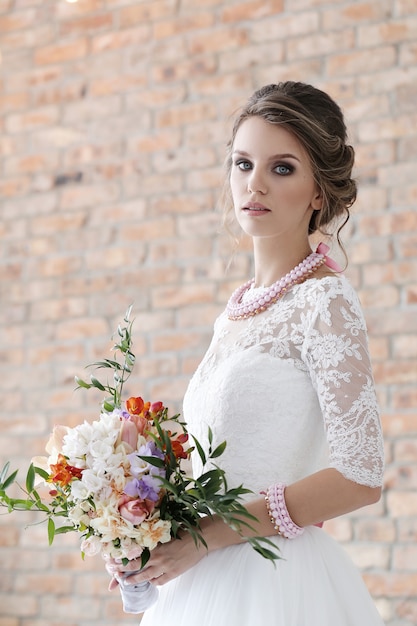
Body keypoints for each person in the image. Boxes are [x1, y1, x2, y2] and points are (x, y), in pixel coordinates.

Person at [106, 81, 385, 625]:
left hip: (276, 583)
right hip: (203, 581)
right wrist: (143, 522)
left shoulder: (324, 301)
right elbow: (224, 461)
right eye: (242, 163)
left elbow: (361, 474)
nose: (253, 184)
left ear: (319, 193)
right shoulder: (234, 312)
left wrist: (210, 537)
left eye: (281, 168)